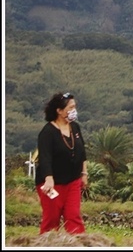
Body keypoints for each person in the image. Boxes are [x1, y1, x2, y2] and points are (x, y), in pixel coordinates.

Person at [36, 92, 88, 235]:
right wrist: (48, 178)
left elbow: (82, 152)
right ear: (59, 111)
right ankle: (48, 243)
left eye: (74, 107)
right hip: (52, 183)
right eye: (70, 107)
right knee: (51, 219)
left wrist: (84, 173)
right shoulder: (47, 132)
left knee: (73, 216)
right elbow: (45, 158)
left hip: (72, 180)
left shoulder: (75, 127)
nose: (74, 110)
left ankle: (78, 243)